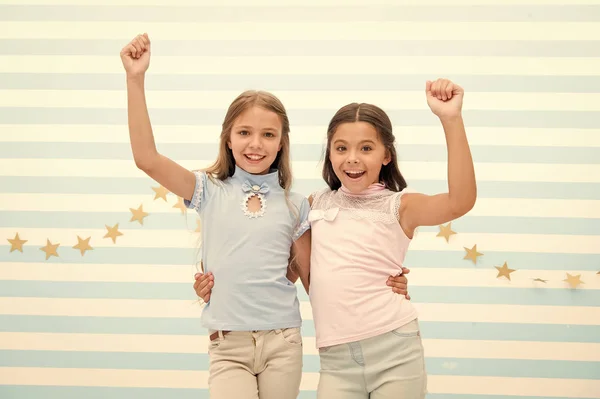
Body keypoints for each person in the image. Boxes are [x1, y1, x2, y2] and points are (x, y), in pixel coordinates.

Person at [120, 33, 410, 399]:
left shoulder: (297, 205)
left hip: (283, 343)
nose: (255, 144)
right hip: (228, 345)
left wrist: (385, 284)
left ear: (281, 142)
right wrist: (135, 78)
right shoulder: (207, 190)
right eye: (244, 132)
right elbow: (147, 158)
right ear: (227, 138)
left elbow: (317, 276)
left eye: (267, 134)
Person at [197, 78, 475, 399]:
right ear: (329, 154)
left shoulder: (401, 207)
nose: (352, 158)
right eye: (341, 148)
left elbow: (460, 201)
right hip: (336, 362)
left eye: (366, 148)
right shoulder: (312, 206)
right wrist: (212, 283)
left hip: (395, 348)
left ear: (387, 155)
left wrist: (450, 119)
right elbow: (276, 266)